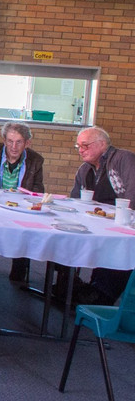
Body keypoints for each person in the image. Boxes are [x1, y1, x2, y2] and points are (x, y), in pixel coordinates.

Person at [64, 127, 135, 304]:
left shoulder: (123, 158)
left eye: (85, 145)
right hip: (95, 225)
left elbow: (133, 193)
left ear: (102, 144)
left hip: (122, 225)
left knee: (116, 247)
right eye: (78, 146)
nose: (81, 150)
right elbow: (74, 199)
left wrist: (124, 219)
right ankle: (71, 286)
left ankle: (101, 295)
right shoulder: (84, 170)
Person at [0, 122, 46, 281]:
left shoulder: (36, 160)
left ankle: (19, 267)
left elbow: (38, 190)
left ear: (27, 143)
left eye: (19, 142)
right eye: (10, 141)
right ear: (4, 140)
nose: (13, 147)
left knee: (25, 228)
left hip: (20, 206)